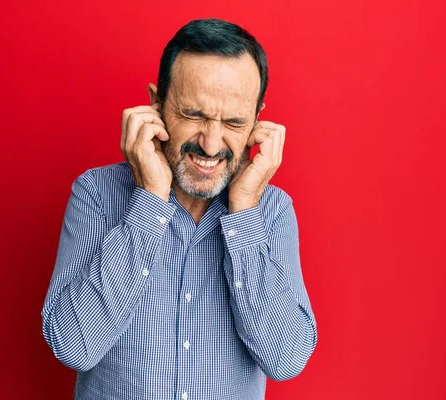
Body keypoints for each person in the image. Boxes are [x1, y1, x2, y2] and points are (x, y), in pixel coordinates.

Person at [41, 18, 317, 400]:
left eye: (234, 122)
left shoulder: (272, 211)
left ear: (257, 121)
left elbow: (285, 359)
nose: (210, 143)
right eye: (193, 115)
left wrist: (244, 212)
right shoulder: (97, 193)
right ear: (157, 103)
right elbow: (72, 345)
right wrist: (150, 198)